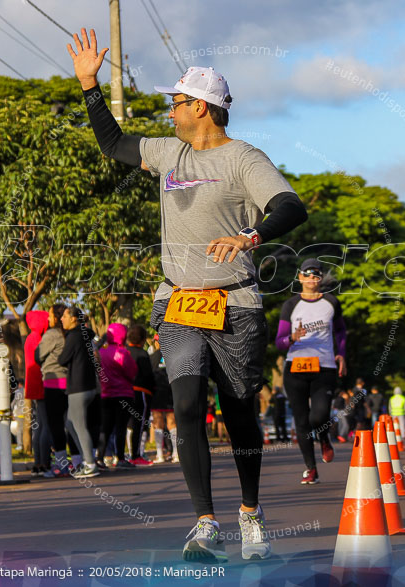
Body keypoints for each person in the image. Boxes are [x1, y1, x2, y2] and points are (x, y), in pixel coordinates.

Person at [67, 28, 307, 562]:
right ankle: (204, 522)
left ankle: (249, 511)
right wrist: (89, 86)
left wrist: (252, 236)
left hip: (236, 300)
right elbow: (112, 143)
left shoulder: (245, 158)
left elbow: (291, 207)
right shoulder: (165, 152)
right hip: (177, 298)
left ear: (201, 107)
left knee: (239, 409)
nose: (169, 112)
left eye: (175, 103)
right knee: (187, 401)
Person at [275, 258, 345, 484]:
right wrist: (292, 338)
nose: (312, 279)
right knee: (301, 420)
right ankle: (310, 468)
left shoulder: (331, 302)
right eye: (307, 274)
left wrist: (341, 354)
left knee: (319, 415)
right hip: (295, 367)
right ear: (300, 278)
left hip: (324, 367)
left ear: (321, 278)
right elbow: (279, 342)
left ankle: (324, 437)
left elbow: (341, 333)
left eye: (316, 275)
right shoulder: (291, 305)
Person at [56, 307, 102, 478]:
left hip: (79, 386)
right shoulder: (86, 335)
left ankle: (90, 464)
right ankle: (86, 459)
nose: (62, 319)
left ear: (74, 318)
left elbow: (62, 359)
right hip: (88, 386)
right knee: (69, 422)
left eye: (65, 316)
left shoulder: (74, 336)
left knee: (79, 425)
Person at [35, 304, 74, 478]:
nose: (48, 319)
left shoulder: (52, 335)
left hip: (53, 383)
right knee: (71, 425)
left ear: (57, 317)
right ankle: (79, 461)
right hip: (71, 383)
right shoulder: (71, 335)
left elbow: (38, 355)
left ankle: (62, 465)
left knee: (55, 425)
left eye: (50, 316)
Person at [97, 322, 138, 469]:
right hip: (123, 394)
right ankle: (119, 458)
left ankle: (100, 457)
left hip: (106, 394)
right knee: (121, 427)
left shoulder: (101, 352)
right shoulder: (123, 353)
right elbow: (132, 372)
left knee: (105, 427)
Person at [24, 310, 51, 477]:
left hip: (33, 385)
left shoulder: (30, 338)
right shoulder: (39, 339)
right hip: (42, 384)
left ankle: (38, 462)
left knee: (39, 425)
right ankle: (44, 462)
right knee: (45, 425)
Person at [126, 325, 155, 466]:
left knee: (126, 425)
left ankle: (119, 455)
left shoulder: (124, 351)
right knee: (139, 423)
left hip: (124, 391)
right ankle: (136, 455)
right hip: (141, 392)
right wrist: (153, 390)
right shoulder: (142, 354)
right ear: (143, 340)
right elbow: (148, 375)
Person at [149, 334, 178, 463]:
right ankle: (176, 454)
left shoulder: (152, 358)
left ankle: (160, 455)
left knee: (158, 424)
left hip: (156, 393)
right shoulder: (174, 356)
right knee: (172, 423)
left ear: (156, 343)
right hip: (171, 392)